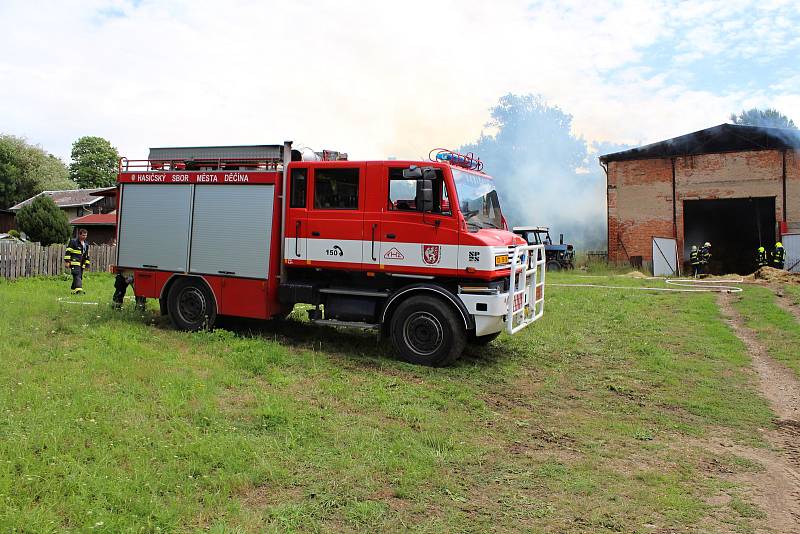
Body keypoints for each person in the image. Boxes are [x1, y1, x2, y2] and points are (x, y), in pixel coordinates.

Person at [64, 229, 90, 294]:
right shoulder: (73, 242)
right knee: (77, 274)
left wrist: (87, 264)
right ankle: (79, 290)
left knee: (79, 276)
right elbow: (68, 251)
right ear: (79, 235)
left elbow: (87, 255)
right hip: (74, 262)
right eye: (83, 235)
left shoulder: (86, 244)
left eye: (86, 235)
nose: (85, 237)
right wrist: (67, 261)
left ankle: (73, 290)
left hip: (82, 264)